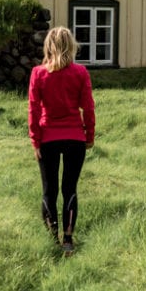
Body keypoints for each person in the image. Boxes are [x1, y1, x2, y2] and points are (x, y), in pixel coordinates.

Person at [28, 26, 95, 256]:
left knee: (49, 191)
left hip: (48, 139)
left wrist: (35, 141)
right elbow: (88, 107)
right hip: (75, 138)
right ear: (71, 46)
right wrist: (89, 136)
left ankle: (52, 239)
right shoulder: (80, 72)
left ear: (48, 46)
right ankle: (68, 240)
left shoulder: (38, 73)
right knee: (70, 189)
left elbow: (33, 110)